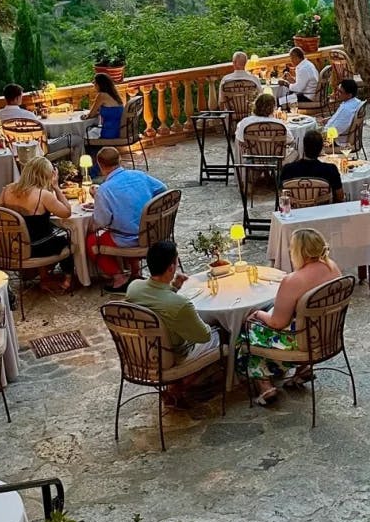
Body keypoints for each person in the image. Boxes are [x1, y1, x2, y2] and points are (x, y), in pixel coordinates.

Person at [238, 228, 341, 406]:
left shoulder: (294, 280)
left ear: (299, 251)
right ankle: (303, 370)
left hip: (302, 341)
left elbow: (277, 323)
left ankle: (264, 385)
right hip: (328, 333)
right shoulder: (332, 267)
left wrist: (257, 314)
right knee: (287, 318)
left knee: (248, 330)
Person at [127, 241, 219, 407]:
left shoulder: (133, 288)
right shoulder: (180, 305)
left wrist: (174, 287)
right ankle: (180, 386)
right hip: (171, 357)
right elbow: (204, 336)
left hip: (140, 353)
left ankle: (176, 386)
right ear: (171, 267)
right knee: (221, 332)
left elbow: (157, 300)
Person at [88, 147, 167, 292]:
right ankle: (135, 272)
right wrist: (146, 205)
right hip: (151, 232)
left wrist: (97, 200)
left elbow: (101, 222)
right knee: (126, 222)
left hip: (129, 239)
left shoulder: (104, 190)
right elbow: (163, 188)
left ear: (100, 165)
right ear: (119, 160)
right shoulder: (139, 175)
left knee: (91, 241)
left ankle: (118, 277)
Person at [0, 156, 74, 290]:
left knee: (40, 233)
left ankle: (44, 277)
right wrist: (56, 187)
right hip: (35, 248)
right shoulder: (42, 195)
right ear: (46, 175)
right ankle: (67, 279)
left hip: (9, 246)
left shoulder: (7, 190)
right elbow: (66, 212)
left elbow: (0, 215)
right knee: (65, 238)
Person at [0, 83, 73, 152]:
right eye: (21, 96)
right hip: (36, 151)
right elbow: (44, 131)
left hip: (13, 151)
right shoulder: (28, 115)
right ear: (17, 98)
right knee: (76, 139)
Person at [279, 129, 344, 202]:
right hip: (323, 211)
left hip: (296, 211)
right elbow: (340, 196)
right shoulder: (330, 169)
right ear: (321, 149)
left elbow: (282, 195)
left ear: (304, 147)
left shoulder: (287, 169)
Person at [235, 93, 294, 159]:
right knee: (295, 152)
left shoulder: (245, 122)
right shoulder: (279, 124)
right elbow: (290, 139)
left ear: (256, 106)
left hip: (253, 160)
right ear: (273, 108)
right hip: (276, 160)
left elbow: (240, 140)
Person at [83, 73, 124, 141]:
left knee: (82, 136)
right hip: (119, 130)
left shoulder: (101, 95)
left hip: (109, 132)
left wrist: (85, 116)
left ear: (99, 84)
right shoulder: (115, 96)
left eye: (95, 83)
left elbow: (91, 114)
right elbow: (111, 112)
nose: (94, 86)